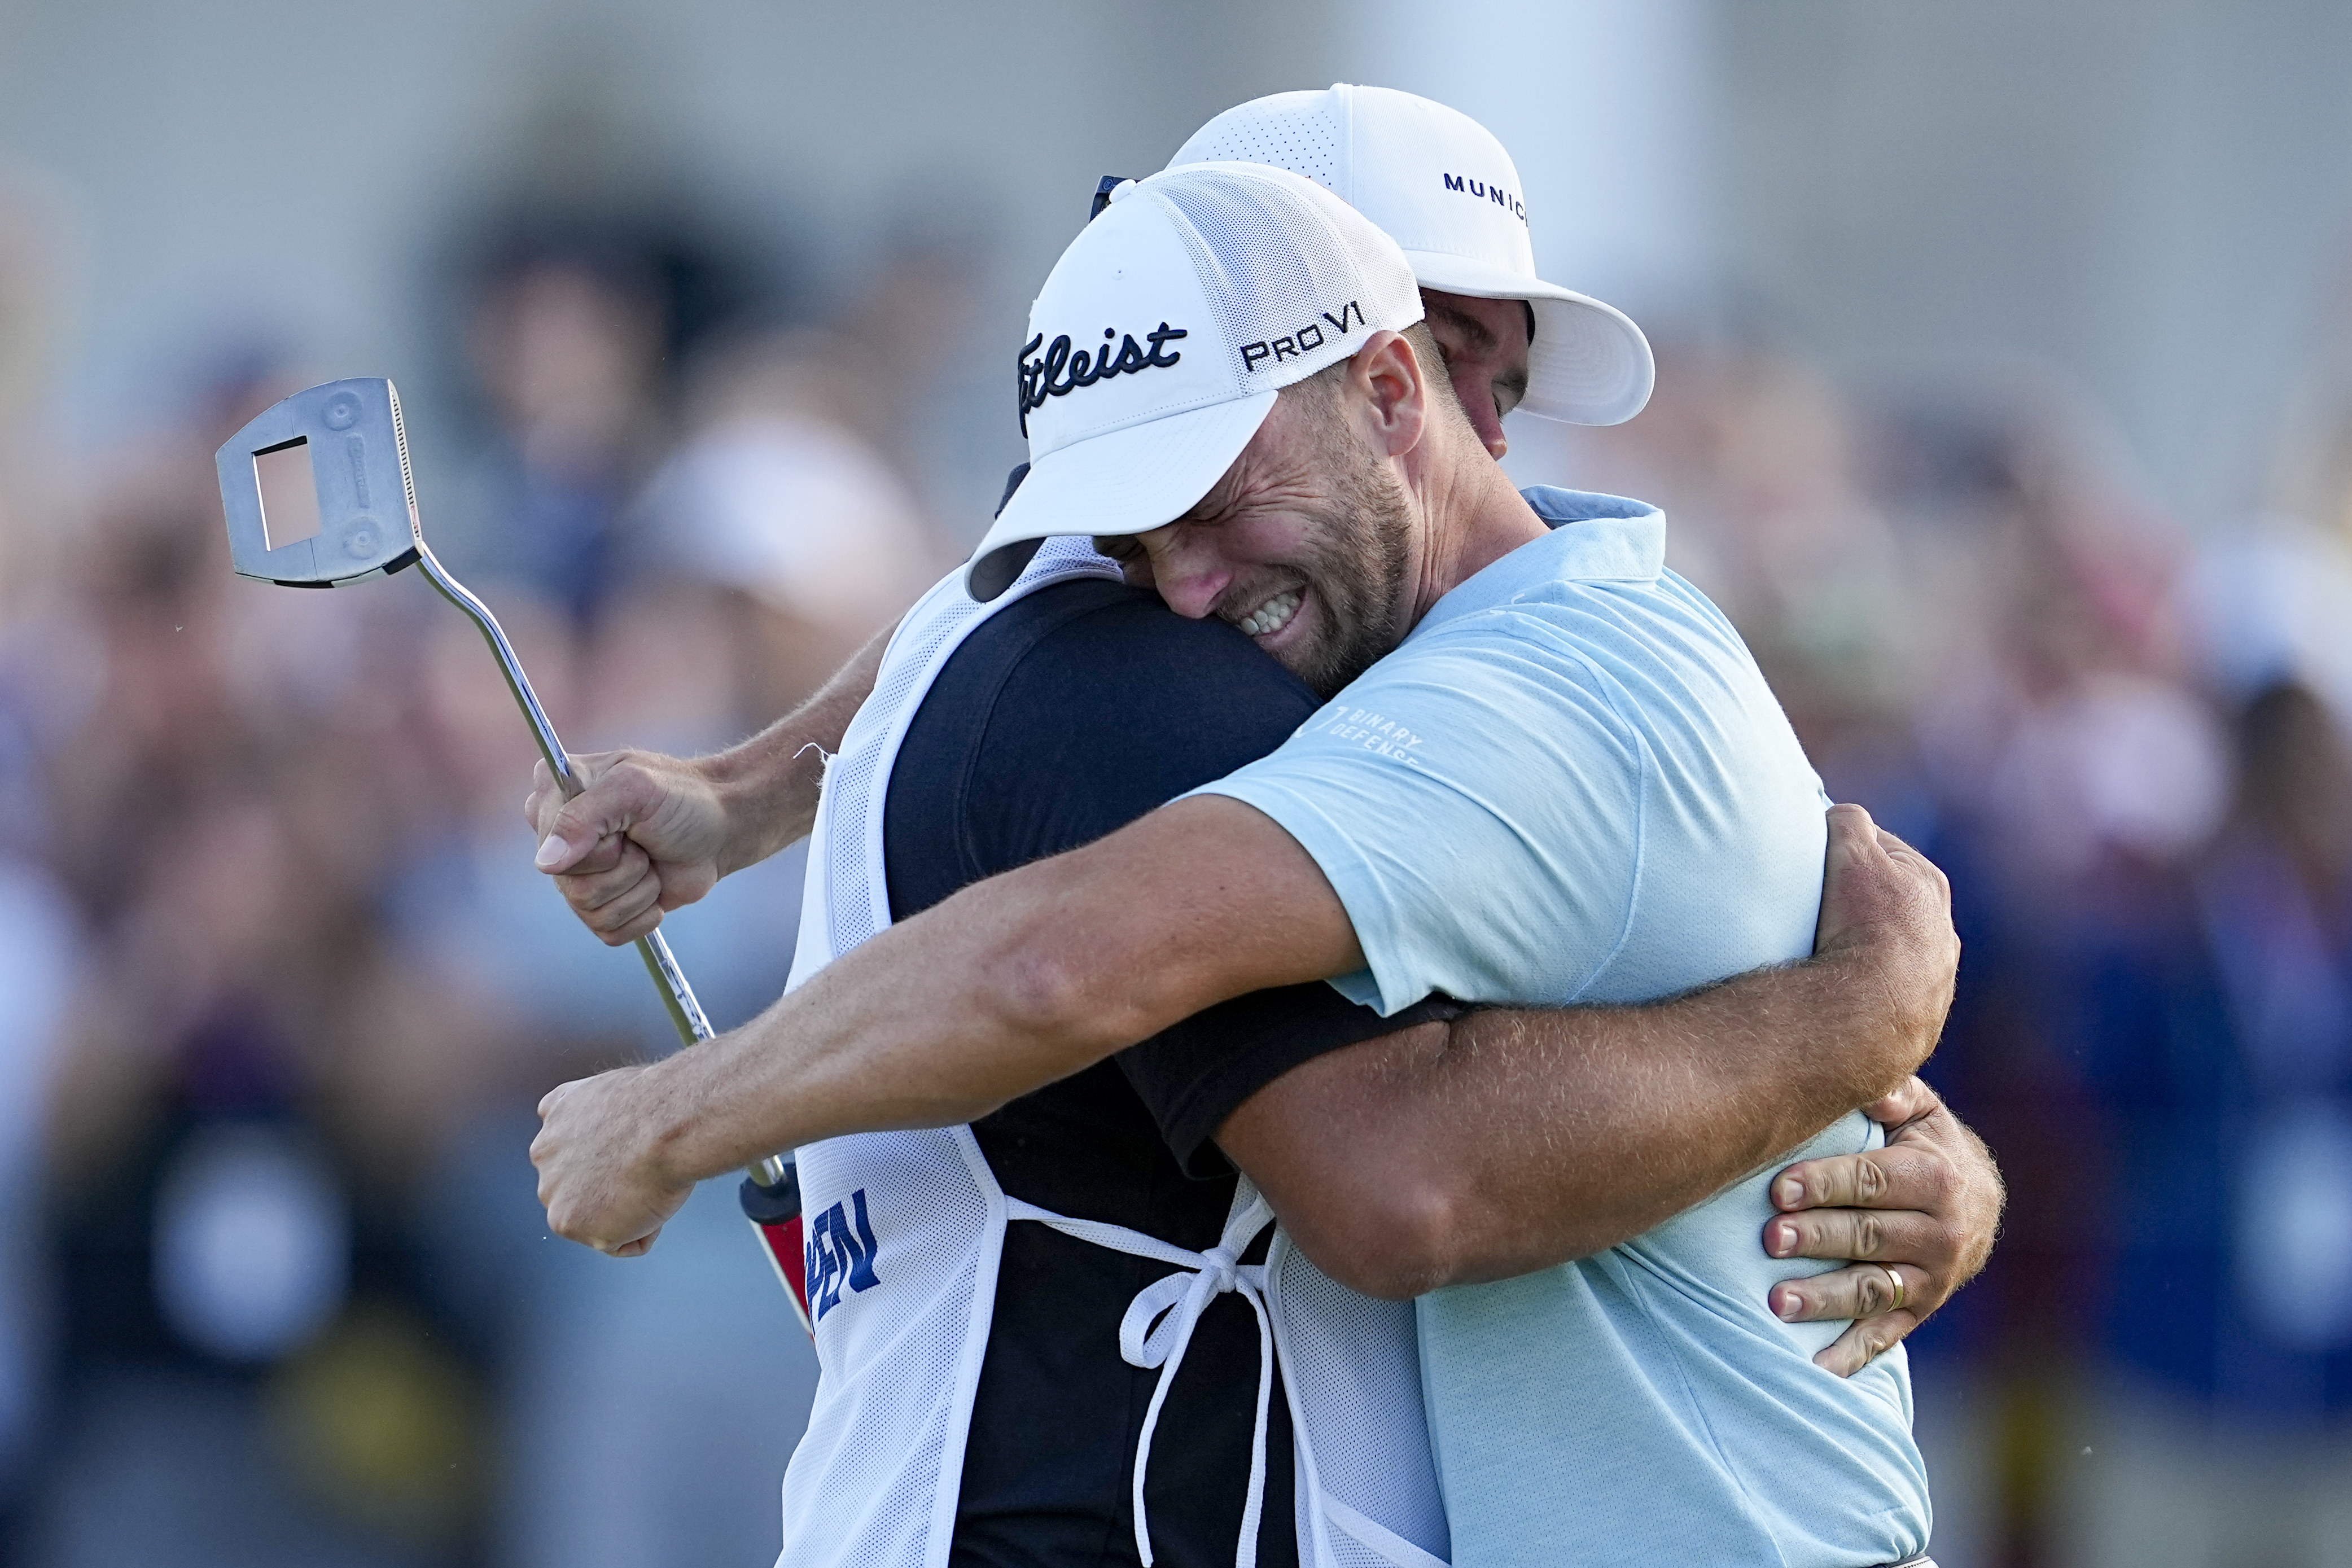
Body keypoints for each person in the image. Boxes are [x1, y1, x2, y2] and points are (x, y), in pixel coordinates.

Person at [531, 153, 1982, 1568]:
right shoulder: (1454, 644)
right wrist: (743, 797)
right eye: (1139, 536)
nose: (1184, 590)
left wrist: (666, 1122)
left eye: (1216, 504)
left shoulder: (1525, 693)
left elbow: (1082, 976)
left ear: (1391, 388)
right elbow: (1019, 641)